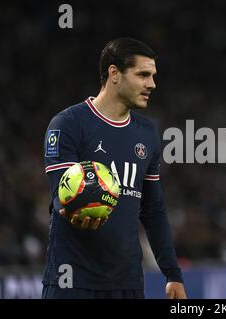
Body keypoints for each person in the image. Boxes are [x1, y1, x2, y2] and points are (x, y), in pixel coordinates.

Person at [42, 38, 186, 299]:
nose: (152, 84)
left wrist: (172, 273)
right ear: (114, 73)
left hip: (127, 283)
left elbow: (153, 210)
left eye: (153, 76)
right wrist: (70, 210)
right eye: (143, 75)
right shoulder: (68, 124)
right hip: (72, 282)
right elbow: (59, 195)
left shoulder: (147, 132)